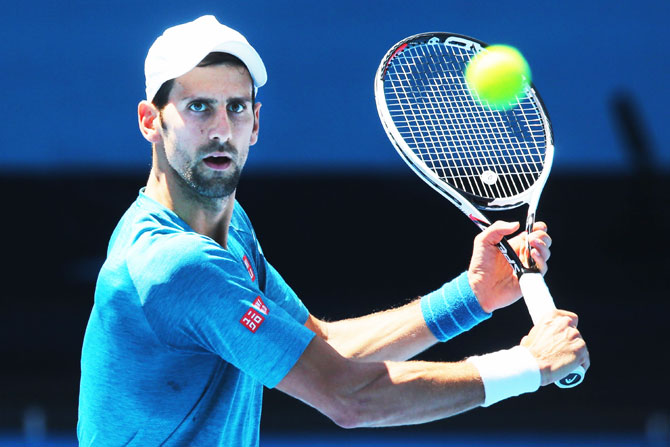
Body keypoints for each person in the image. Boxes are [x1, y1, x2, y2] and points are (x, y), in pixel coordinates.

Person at [77, 15, 589, 446]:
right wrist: (526, 367)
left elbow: (321, 347)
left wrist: (471, 297)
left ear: (256, 123)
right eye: (198, 107)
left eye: (236, 108)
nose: (220, 128)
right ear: (150, 120)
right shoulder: (176, 266)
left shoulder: (230, 232)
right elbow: (348, 396)